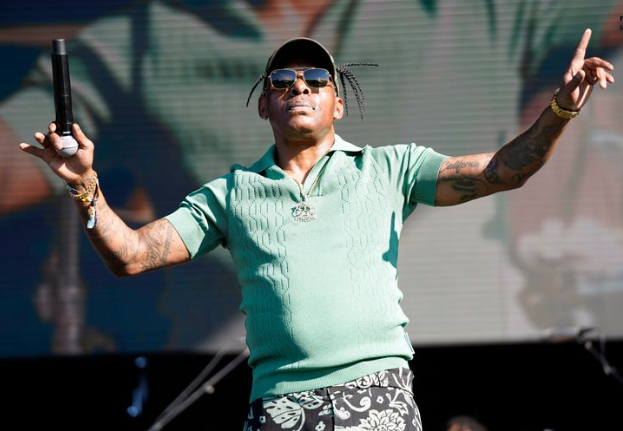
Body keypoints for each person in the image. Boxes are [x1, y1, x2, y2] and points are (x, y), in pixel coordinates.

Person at [18, 28, 614, 429]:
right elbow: (131, 255)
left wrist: (560, 109)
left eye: (315, 78)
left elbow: (503, 170)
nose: (298, 86)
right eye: (281, 80)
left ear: (338, 103)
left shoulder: (388, 168)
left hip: (377, 396)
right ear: (264, 105)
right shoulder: (231, 193)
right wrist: (84, 184)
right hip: (280, 406)